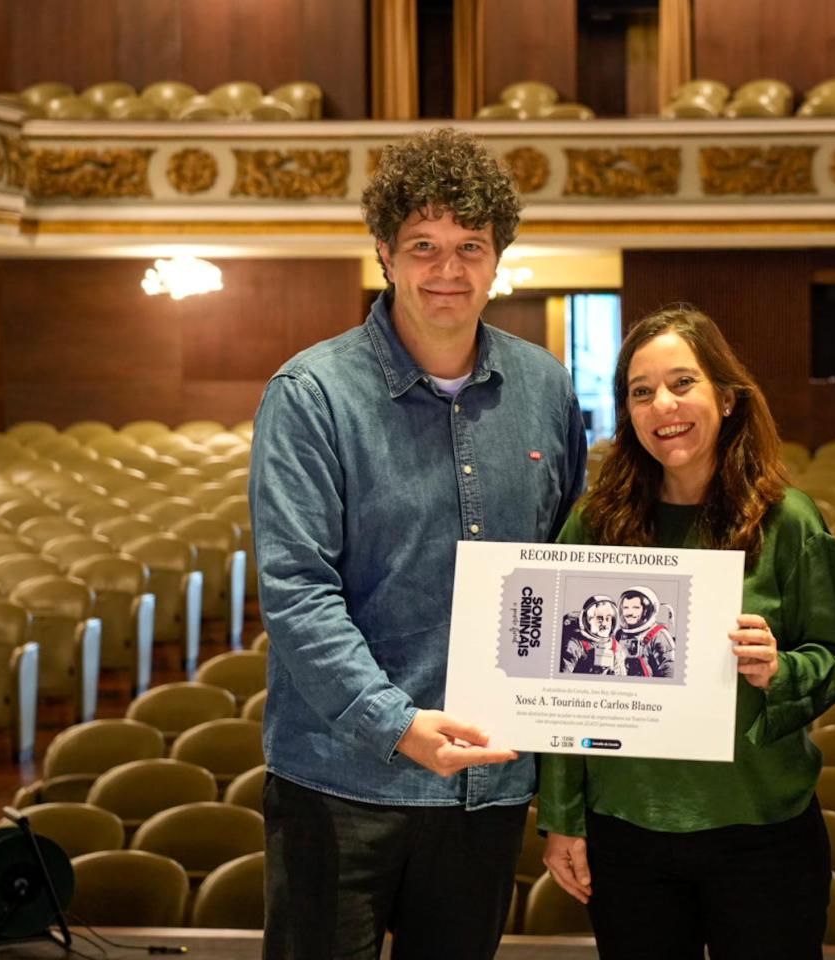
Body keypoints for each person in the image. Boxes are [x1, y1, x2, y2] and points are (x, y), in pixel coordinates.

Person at [250, 127, 586, 960]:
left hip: (489, 782)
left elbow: (573, 569)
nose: (449, 269)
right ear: (384, 254)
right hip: (341, 778)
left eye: (471, 246)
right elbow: (298, 592)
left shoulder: (544, 386)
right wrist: (397, 726)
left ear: (499, 257)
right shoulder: (310, 393)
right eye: (424, 246)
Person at [537, 307, 835, 960]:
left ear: (728, 396)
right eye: (642, 390)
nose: (664, 406)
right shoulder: (596, 524)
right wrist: (563, 820)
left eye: (683, 383)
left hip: (763, 830)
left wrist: (781, 669)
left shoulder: (790, 522)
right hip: (626, 834)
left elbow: (833, 659)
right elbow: (560, 689)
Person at [614, 585, 675, 678]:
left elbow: (669, 671)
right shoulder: (619, 635)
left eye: (636, 608)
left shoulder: (659, 636)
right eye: (626, 607)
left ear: (646, 611)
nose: (629, 613)